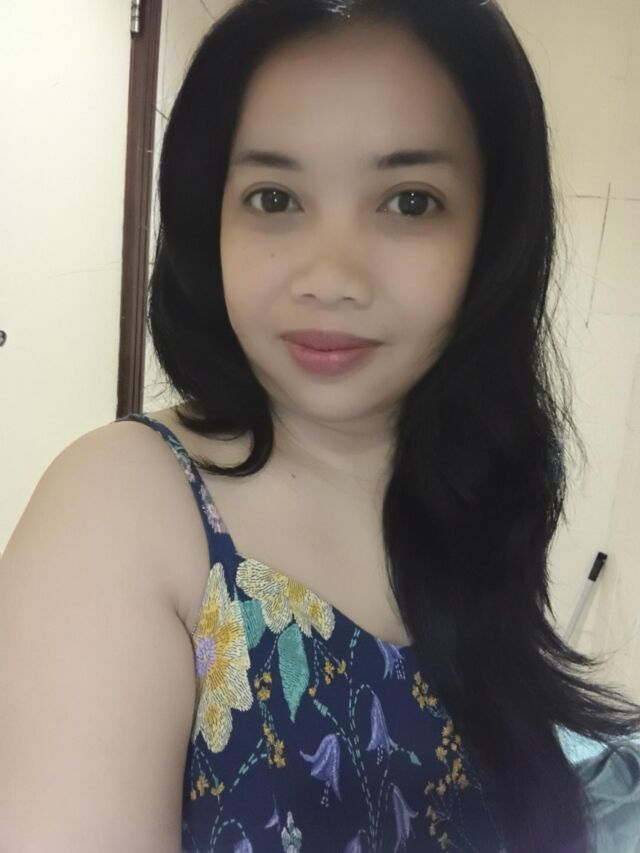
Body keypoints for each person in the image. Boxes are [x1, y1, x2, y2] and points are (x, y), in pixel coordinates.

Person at [2, 0, 640, 851]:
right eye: (274, 197)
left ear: (491, 234)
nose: (332, 276)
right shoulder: (117, 506)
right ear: (207, 217)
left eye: (410, 202)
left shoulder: (472, 489)